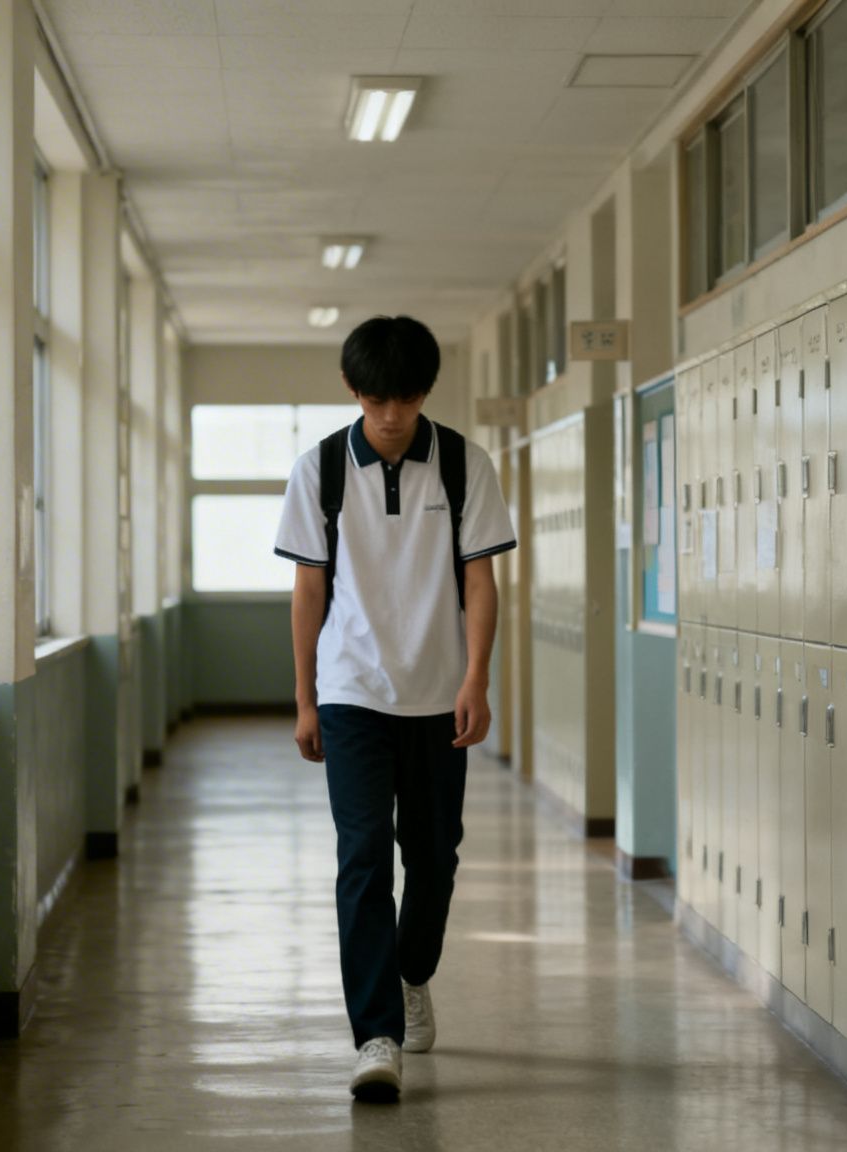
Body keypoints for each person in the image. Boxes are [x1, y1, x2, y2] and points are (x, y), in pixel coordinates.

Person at [272, 314, 515, 1103]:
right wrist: (307, 698)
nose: (390, 415)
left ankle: (413, 973)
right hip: (352, 696)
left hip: (440, 696)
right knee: (364, 856)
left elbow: (481, 581)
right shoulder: (319, 471)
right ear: (353, 390)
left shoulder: (463, 465)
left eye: (405, 399)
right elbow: (309, 589)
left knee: (435, 856)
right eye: (377, 399)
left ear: (425, 393)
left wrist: (476, 678)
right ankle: (376, 1033)